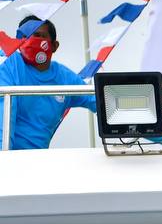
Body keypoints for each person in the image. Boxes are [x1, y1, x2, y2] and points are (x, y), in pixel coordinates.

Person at [0, 17, 97, 150]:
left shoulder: (65, 78)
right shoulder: (8, 61)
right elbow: (4, 111)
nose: (32, 41)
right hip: (7, 158)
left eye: (40, 36)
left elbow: (99, 101)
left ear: (54, 46)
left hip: (39, 160)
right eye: (26, 36)